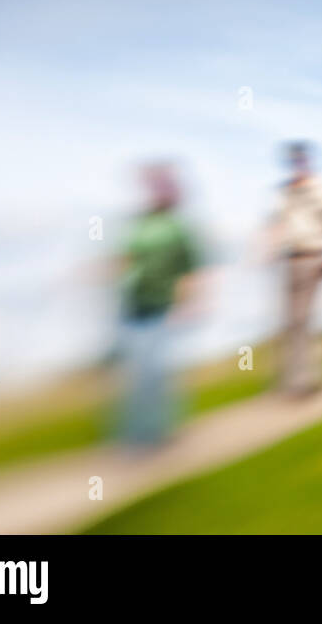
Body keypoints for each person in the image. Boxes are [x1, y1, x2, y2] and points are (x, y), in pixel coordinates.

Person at [117, 162, 202, 447]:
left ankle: (160, 432)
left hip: (162, 304)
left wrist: (188, 303)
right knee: (137, 373)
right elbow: (126, 259)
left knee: (155, 371)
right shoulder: (139, 224)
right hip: (133, 305)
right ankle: (137, 435)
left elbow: (189, 269)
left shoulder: (177, 228)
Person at [267, 142, 322, 397]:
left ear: (308, 160)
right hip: (289, 259)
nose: (297, 163)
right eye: (293, 160)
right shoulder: (284, 192)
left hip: (314, 257)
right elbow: (278, 224)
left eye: (300, 159)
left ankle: (302, 382)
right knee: (290, 321)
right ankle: (297, 378)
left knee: (303, 319)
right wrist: (269, 252)